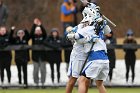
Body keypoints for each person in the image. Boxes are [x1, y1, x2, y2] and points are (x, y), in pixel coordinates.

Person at [30, 18, 47, 86]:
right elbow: (31, 33)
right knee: (35, 70)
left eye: (39, 30)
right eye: (37, 30)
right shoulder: (33, 37)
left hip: (43, 57)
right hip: (35, 57)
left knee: (43, 70)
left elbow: (45, 33)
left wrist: (41, 25)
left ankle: (43, 83)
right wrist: (34, 24)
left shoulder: (43, 37)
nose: (38, 31)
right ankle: (36, 83)